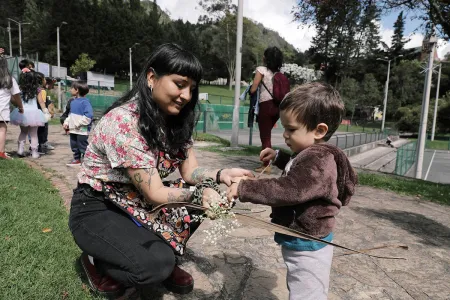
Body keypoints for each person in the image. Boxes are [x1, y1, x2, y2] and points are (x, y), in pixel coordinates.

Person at [68, 43, 253, 299]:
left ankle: (164, 254)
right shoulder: (124, 122)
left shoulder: (176, 121)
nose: (187, 95)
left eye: (192, 88)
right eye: (180, 84)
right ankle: (94, 258)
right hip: (99, 205)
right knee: (152, 267)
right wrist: (200, 195)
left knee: (200, 199)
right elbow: (155, 192)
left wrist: (222, 175)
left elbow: (191, 172)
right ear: (152, 78)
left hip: (137, 202)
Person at [227, 82, 358, 300]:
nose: (285, 135)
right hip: (305, 238)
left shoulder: (318, 160)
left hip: (308, 242)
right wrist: (279, 158)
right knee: (301, 287)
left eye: (291, 129)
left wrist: (244, 188)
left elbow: (291, 188)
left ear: (319, 130)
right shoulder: (313, 155)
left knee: (306, 293)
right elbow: (299, 173)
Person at [249, 46, 284, 174]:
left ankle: (266, 165)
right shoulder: (280, 74)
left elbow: (253, 89)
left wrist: (251, 90)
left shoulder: (261, 70)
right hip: (277, 107)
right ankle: (268, 162)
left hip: (266, 105)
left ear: (266, 58)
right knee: (267, 134)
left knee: (265, 137)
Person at [10, 71, 48, 159]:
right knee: (34, 134)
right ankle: (34, 153)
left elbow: (13, 99)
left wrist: (17, 105)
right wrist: (45, 111)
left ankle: (20, 150)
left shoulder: (20, 88)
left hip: (22, 113)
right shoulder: (37, 89)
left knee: (23, 132)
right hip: (34, 113)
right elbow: (41, 102)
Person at [0, 48, 24, 159]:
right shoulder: (10, 79)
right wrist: (20, 106)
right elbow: (16, 96)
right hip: (2, 110)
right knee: (2, 129)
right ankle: (1, 152)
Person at [63, 81, 93, 166]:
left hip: (82, 130)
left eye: (72, 88)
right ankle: (77, 160)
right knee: (74, 145)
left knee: (82, 145)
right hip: (73, 129)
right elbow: (71, 114)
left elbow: (89, 116)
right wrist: (67, 122)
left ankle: (90, 160)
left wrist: (79, 123)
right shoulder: (73, 102)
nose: (70, 89)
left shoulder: (85, 102)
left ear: (77, 90)